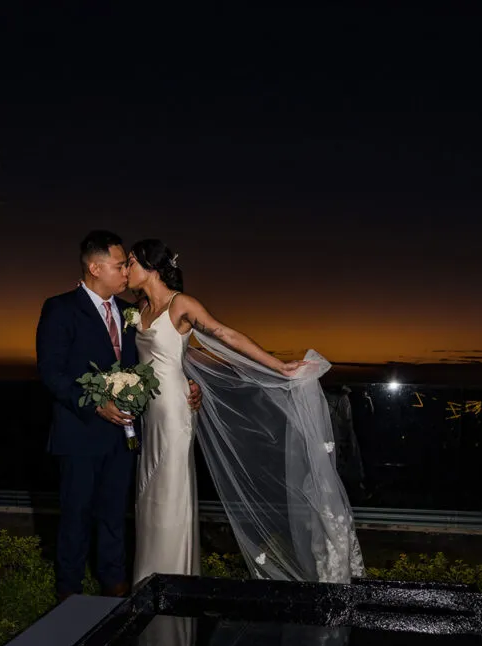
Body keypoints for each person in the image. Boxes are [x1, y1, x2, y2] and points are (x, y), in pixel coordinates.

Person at [126, 238, 364, 584]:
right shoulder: (139, 309)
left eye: (130, 261)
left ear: (150, 267)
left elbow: (226, 334)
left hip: (175, 411)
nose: (125, 269)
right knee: (149, 492)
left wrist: (279, 367)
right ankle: (146, 577)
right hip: (150, 413)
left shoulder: (182, 305)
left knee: (171, 489)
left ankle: (171, 578)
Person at [36, 231, 201, 600]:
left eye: (128, 265)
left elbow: (157, 361)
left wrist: (189, 383)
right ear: (95, 268)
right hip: (79, 433)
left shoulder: (132, 313)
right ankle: (69, 597)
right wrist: (95, 404)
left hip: (124, 436)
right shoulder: (60, 308)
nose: (126, 272)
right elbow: (51, 372)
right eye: (119, 265)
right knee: (75, 518)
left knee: (114, 517)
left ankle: (115, 593)